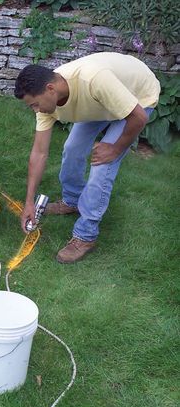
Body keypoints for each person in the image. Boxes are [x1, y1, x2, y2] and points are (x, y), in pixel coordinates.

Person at [14, 52, 160, 263]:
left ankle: (86, 235)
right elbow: (39, 153)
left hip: (138, 95)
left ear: (50, 89)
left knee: (102, 166)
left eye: (35, 105)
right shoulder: (48, 104)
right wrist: (29, 202)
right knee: (72, 148)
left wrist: (116, 148)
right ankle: (72, 200)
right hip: (100, 102)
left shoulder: (93, 80)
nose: (35, 110)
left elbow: (138, 117)